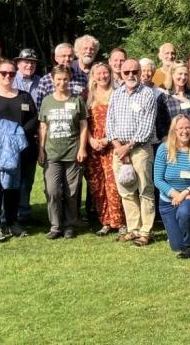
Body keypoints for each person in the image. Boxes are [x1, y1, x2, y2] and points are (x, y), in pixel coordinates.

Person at [0, 60, 38, 242]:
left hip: (20, 150)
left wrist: (16, 136)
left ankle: (12, 222)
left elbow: (33, 120)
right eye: (3, 73)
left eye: (11, 73)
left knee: (13, 186)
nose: (7, 76)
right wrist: (11, 134)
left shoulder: (25, 97)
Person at [106, 59, 159, 246]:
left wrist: (127, 148)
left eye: (134, 71)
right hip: (118, 149)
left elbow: (147, 126)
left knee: (145, 189)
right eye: (126, 72)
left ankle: (146, 231)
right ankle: (133, 229)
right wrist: (118, 146)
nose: (130, 75)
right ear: (120, 73)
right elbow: (109, 122)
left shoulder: (147, 94)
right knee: (126, 190)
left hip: (140, 149)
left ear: (139, 72)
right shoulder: (116, 93)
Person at [39, 65, 89, 240]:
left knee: (72, 192)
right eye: (58, 79)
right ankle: (55, 225)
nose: (62, 82)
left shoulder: (77, 100)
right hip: (52, 153)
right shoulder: (46, 101)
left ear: (69, 80)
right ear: (53, 80)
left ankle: (69, 224)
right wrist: (41, 149)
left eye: (65, 79)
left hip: (73, 152)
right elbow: (43, 126)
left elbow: (83, 125)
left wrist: (82, 148)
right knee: (53, 191)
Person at [153, 115, 190, 259]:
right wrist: (177, 195)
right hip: (169, 201)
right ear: (174, 130)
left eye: (187, 127)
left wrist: (185, 193)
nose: (184, 131)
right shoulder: (163, 149)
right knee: (177, 245)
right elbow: (158, 180)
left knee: (185, 212)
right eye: (180, 128)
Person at [85, 63, 125, 236]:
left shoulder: (117, 95)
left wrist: (107, 139)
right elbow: (82, 123)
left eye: (105, 73)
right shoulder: (87, 96)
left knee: (114, 184)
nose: (102, 76)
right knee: (98, 186)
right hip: (93, 147)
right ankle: (105, 221)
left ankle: (120, 221)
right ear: (93, 76)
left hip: (112, 145)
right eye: (98, 73)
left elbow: (121, 121)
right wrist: (91, 140)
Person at [13, 48, 42, 225]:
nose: (29, 65)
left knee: (27, 178)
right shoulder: (9, 80)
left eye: (32, 63)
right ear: (18, 63)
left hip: (34, 135)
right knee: (11, 176)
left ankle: (23, 213)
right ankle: (9, 214)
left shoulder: (41, 82)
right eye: (26, 62)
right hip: (12, 136)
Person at [33, 43, 87, 109]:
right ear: (56, 58)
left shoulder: (82, 78)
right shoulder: (45, 80)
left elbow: (85, 103)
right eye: (63, 56)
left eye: (70, 56)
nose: (67, 59)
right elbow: (40, 107)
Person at [161, 62, 190, 140]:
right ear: (172, 74)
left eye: (186, 74)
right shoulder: (164, 97)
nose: (183, 77)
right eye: (180, 74)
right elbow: (160, 125)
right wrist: (167, 144)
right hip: (172, 142)